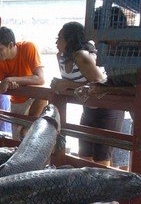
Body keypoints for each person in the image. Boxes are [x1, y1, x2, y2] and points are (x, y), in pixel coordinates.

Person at [50, 21, 124, 167]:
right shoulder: (61, 57)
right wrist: (59, 83)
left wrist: (66, 84)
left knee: (101, 160)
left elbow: (101, 84)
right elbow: (72, 84)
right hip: (88, 109)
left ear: (70, 40)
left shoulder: (82, 56)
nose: (56, 42)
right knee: (84, 156)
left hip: (106, 109)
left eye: (60, 38)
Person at [0, 26, 46, 139]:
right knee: (18, 140)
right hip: (17, 100)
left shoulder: (28, 47)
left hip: (35, 98)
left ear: (10, 45)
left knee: (33, 137)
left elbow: (40, 79)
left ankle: (29, 127)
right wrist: (9, 82)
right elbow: (3, 85)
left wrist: (11, 79)